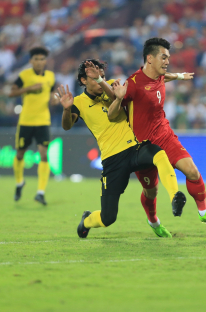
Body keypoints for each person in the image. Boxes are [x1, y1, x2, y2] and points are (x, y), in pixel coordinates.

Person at [59, 59, 186, 238]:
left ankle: (175, 196)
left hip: (134, 148)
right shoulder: (78, 103)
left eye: (102, 76)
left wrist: (178, 76)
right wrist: (65, 110)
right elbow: (67, 126)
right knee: (108, 218)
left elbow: (125, 93)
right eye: (95, 78)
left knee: (158, 154)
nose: (100, 80)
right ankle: (87, 220)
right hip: (112, 159)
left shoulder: (111, 86)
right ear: (83, 81)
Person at [118, 38, 206, 226]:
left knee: (192, 171)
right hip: (144, 146)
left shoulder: (159, 74)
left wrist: (178, 76)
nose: (167, 61)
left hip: (165, 135)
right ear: (150, 58)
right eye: (164, 57)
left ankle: (204, 211)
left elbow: (162, 77)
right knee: (151, 192)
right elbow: (117, 107)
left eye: (168, 57)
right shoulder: (133, 84)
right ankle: (153, 220)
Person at [9, 47, 59, 205]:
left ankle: (40, 192)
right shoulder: (25, 75)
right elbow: (11, 92)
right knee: (20, 154)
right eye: (36, 59)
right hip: (26, 121)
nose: (39, 62)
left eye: (42, 59)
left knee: (44, 155)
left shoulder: (50, 76)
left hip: (43, 121)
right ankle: (19, 182)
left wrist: (54, 99)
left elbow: (52, 94)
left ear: (46, 61)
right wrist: (29, 89)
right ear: (31, 61)